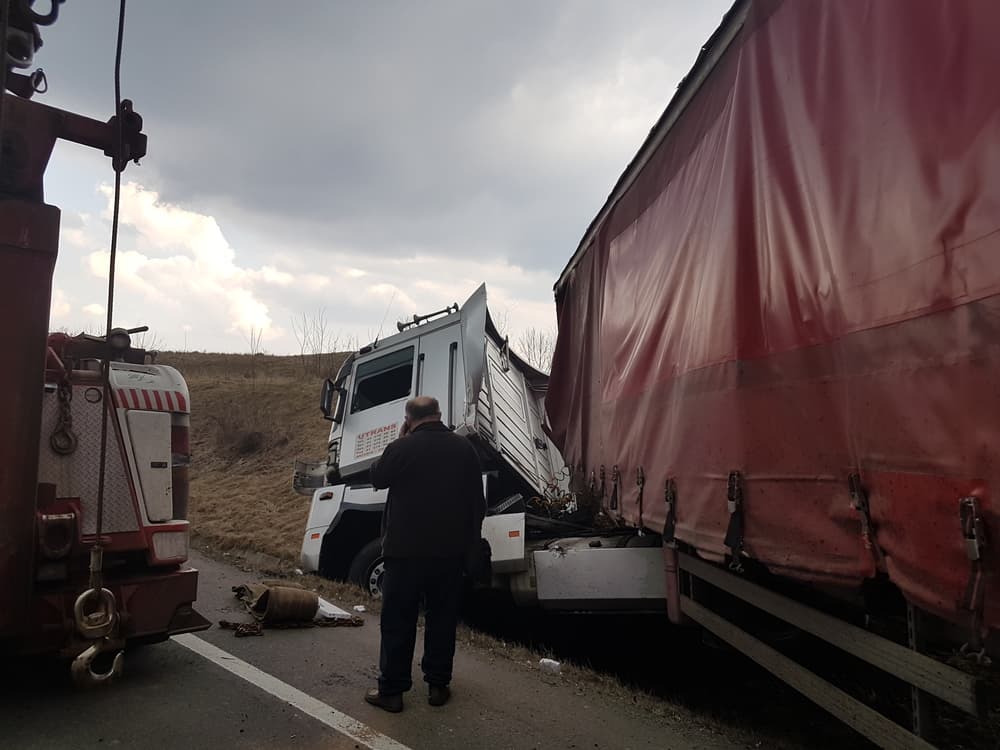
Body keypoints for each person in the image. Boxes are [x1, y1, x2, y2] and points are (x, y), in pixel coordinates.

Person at [363, 395, 486, 713]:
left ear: (409, 420)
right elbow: (477, 504)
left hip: (403, 554)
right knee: (441, 620)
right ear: (439, 415)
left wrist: (400, 441)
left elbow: (376, 477)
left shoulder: (402, 448)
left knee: (397, 621)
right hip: (449, 554)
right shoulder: (465, 449)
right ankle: (437, 685)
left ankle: (391, 691)